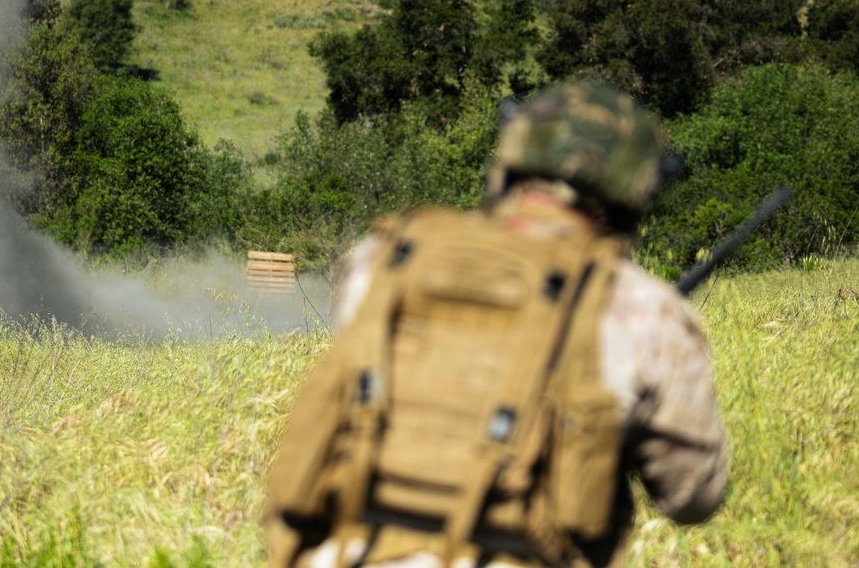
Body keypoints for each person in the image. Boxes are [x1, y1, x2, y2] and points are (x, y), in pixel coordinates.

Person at [265, 81, 728, 568]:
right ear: (634, 192)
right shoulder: (643, 309)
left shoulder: (381, 260)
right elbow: (693, 494)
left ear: (513, 158)